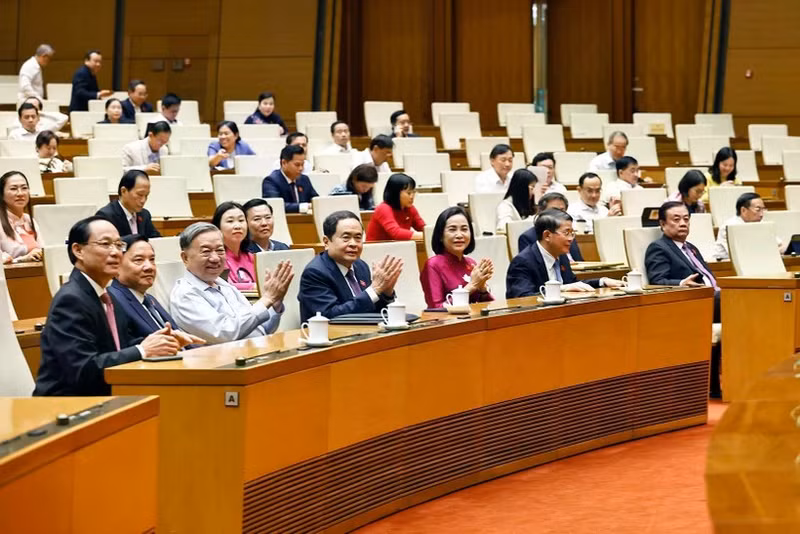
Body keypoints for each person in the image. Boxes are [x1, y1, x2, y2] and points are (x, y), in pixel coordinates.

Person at [33, 216, 186, 396]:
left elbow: (118, 346)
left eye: (118, 245)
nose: (115, 252)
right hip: (66, 406)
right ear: (78, 250)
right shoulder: (71, 300)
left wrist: (163, 342)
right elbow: (84, 369)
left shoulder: (108, 294)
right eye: (105, 244)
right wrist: (143, 350)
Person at [170, 222, 293, 344]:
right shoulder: (185, 294)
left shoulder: (222, 284)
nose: (215, 258)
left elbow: (260, 329)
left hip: (256, 352)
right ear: (185, 258)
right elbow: (225, 334)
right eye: (206, 251)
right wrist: (266, 299)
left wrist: (275, 303)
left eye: (219, 250)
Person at [298, 210, 402, 322]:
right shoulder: (315, 273)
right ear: (326, 242)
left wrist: (386, 293)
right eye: (346, 237)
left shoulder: (361, 266)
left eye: (358, 238)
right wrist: (374, 290)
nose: (353, 244)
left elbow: (373, 311)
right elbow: (329, 316)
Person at [109, 234, 206, 344]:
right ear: (117, 266)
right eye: (139, 260)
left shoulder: (149, 299)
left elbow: (179, 338)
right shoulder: (114, 301)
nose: (149, 267)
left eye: (152, 260)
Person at [506, 209, 623, 298]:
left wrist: (602, 282)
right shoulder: (523, 262)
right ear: (547, 235)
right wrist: (561, 289)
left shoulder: (561, 256)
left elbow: (573, 284)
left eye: (572, 233)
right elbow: (523, 297)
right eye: (566, 233)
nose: (571, 238)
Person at [420, 206, 494, 308]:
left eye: (464, 229)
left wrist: (482, 288)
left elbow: (488, 307)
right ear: (441, 236)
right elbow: (436, 308)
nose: (459, 235)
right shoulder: (433, 265)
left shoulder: (471, 263)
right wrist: (471, 286)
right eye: (452, 229)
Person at [713, 192, 783, 260]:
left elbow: (780, 245)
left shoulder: (761, 224)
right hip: (726, 266)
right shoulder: (729, 227)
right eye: (758, 209)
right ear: (743, 210)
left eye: (763, 209)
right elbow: (740, 254)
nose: (762, 214)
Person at [518, 192, 584, 261]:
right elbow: (531, 266)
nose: (558, 214)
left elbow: (579, 260)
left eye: (562, 211)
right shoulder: (528, 237)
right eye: (554, 210)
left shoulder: (568, 234)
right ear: (541, 212)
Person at [97, 170, 161, 238]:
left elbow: (156, 240)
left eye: (146, 195)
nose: (143, 200)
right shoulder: (106, 216)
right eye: (140, 195)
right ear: (123, 191)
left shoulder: (144, 214)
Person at [366, 173, 425, 241]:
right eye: (408, 193)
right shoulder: (383, 208)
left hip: (397, 248)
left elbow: (423, 227)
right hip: (377, 249)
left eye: (413, 192)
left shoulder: (410, 208)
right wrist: (425, 236)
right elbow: (396, 233)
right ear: (396, 193)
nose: (412, 196)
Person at [212, 201, 256, 291]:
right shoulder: (215, 258)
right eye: (230, 221)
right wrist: (253, 287)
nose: (237, 226)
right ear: (218, 227)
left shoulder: (252, 257)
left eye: (241, 220)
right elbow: (221, 286)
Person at [262, 144, 319, 214]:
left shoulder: (304, 179)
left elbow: (316, 200)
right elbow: (275, 206)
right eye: (297, 165)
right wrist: (306, 206)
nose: (301, 168)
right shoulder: (271, 181)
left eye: (303, 164)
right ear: (284, 163)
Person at [0, 171, 42, 264]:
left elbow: (43, 250)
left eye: (24, 188)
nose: (20, 193)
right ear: (2, 194)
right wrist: (22, 259)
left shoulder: (29, 220)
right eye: (13, 189)